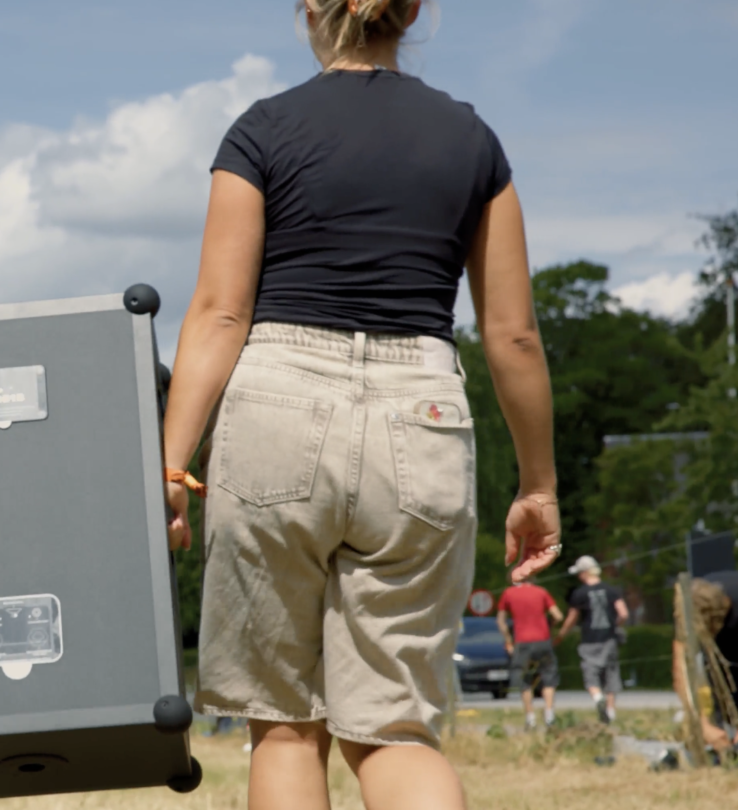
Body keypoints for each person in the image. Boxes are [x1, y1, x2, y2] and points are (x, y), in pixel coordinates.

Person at [160, 1, 562, 807]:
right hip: (423, 417)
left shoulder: (261, 131)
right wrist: (538, 485)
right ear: (411, 12)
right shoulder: (472, 141)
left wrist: (172, 463)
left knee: (283, 725)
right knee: (394, 729)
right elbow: (512, 336)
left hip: (278, 404)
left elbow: (218, 313)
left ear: (309, 8)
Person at [672, 571, 738, 750]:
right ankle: (730, 746)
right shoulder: (688, 607)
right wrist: (702, 724)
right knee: (722, 699)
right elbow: (681, 668)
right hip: (722, 648)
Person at [557, 555, 629, 724]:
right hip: (609, 638)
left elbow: (572, 618)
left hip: (589, 640)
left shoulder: (580, 593)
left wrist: (561, 635)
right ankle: (610, 712)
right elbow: (624, 613)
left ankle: (598, 698)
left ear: (584, 573)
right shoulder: (611, 590)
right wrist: (616, 625)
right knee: (611, 674)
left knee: (591, 673)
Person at [497, 582, 563, 730]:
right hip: (543, 641)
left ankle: (530, 718)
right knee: (548, 677)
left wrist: (508, 641)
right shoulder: (541, 591)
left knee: (524, 680)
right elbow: (558, 615)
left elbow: (501, 621)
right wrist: (548, 626)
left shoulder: (508, 593)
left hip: (522, 642)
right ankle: (549, 715)